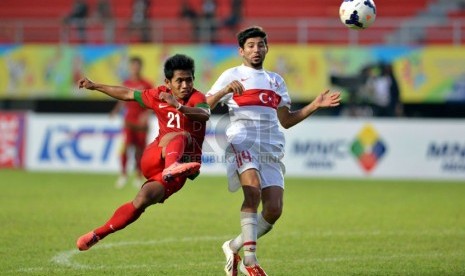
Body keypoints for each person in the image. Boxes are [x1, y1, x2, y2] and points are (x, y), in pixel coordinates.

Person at [206, 26, 341, 276]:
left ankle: (233, 246)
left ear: (266, 48)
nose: (256, 50)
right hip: (242, 140)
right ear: (241, 51)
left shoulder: (276, 80)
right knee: (253, 190)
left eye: (260, 45)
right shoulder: (231, 74)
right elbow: (204, 104)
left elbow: (286, 120)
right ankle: (250, 262)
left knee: (273, 210)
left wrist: (314, 105)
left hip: (270, 146)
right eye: (250, 46)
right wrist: (224, 91)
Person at [76, 54, 210, 251]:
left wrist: (178, 106)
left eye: (189, 80)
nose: (184, 85)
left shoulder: (197, 98)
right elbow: (128, 94)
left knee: (142, 200)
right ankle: (171, 166)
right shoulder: (158, 94)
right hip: (156, 157)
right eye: (179, 80)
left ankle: (97, 234)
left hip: (178, 171)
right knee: (180, 135)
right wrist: (96, 86)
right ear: (168, 82)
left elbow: (204, 115)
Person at [110, 56, 153, 189]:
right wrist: (115, 111)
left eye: (137, 66)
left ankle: (138, 176)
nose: (135, 68)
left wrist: (146, 115)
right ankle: (123, 175)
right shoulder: (126, 83)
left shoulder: (147, 84)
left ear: (141, 67)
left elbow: (153, 103)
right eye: (132, 66)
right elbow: (122, 99)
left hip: (141, 124)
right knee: (125, 148)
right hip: (128, 122)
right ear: (130, 67)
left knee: (140, 151)